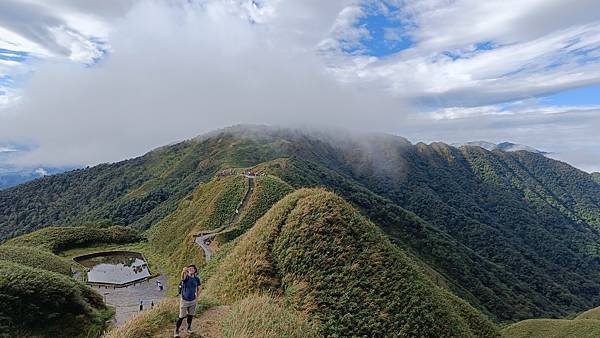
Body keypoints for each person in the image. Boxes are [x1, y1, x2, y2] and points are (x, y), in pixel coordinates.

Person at [175, 265, 201, 337]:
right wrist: (183, 271)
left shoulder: (196, 279)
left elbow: (199, 287)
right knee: (181, 317)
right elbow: (182, 277)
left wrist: (197, 297)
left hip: (193, 300)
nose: (191, 269)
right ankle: (177, 330)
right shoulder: (186, 277)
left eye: (193, 268)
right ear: (188, 270)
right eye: (190, 268)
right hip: (184, 300)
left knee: (190, 315)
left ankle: (189, 327)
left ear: (195, 270)